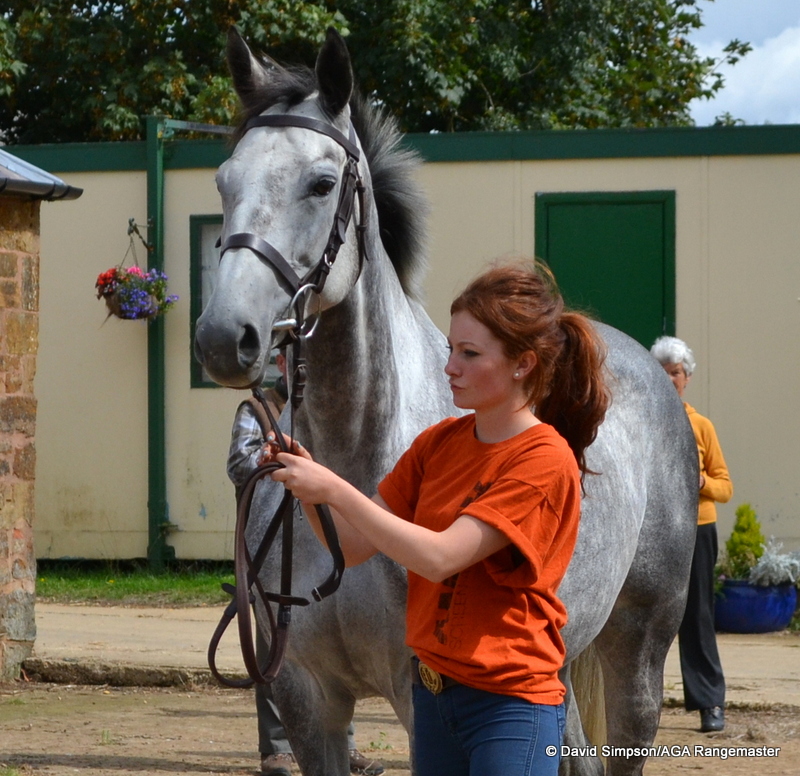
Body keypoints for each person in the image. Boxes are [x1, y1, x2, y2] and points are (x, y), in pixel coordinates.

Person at [266, 261, 610, 776]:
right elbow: (354, 546)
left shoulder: (543, 458)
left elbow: (440, 556)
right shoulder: (439, 443)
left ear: (523, 365)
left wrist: (333, 487)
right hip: (432, 696)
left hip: (510, 707)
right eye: (451, 349)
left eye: (470, 354)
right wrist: (308, 483)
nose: (451, 366)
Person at [227, 349, 385, 776]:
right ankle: (276, 746)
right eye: (294, 363)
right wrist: (270, 460)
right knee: (277, 650)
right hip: (276, 545)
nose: (303, 371)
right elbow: (240, 465)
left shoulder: (329, 411)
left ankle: (343, 744)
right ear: (281, 365)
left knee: (332, 654)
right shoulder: (259, 408)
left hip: (323, 539)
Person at [651, 335, 733, 733]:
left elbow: (725, 487)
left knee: (697, 618)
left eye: (676, 373)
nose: (669, 380)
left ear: (687, 378)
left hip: (697, 530)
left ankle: (709, 703)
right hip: (653, 532)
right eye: (663, 372)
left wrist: (700, 480)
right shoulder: (643, 422)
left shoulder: (701, 426)